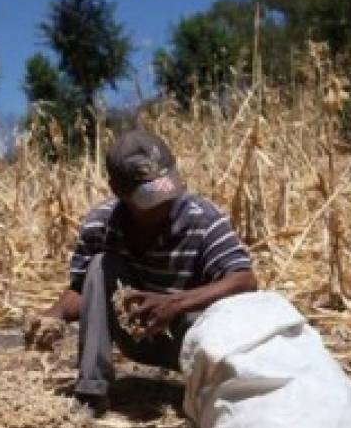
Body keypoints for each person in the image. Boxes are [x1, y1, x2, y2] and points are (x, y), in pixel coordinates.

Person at [25, 129, 258, 408]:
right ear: (117, 190)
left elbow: (244, 279)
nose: (162, 204)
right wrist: (53, 318)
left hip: (193, 340)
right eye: (149, 197)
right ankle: (91, 391)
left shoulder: (203, 218)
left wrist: (175, 304)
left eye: (166, 190)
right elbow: (85, 290)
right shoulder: (100, 225)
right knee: (101, 263)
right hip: (137, 335)